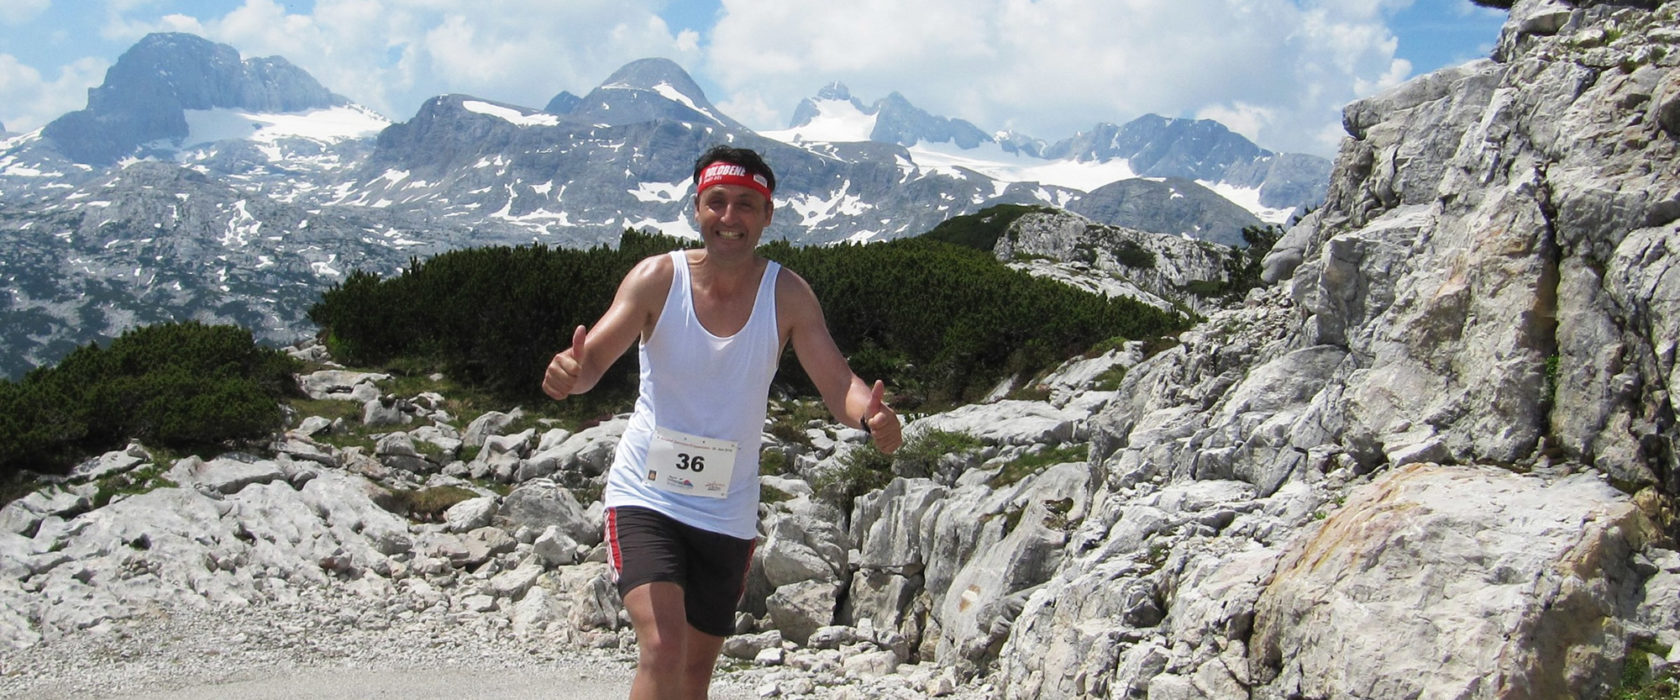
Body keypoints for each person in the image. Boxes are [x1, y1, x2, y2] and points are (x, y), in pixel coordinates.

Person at [541, 145, 904, 699]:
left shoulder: (788, 294)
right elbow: (591, 364)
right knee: (662, 650)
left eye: (745, 205)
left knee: (692, 676)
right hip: (647, 494)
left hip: (726, 510)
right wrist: (571, 372)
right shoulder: (656, 278)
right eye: (717, 203)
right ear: (697, 208)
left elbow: (839, 386)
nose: (729, 219)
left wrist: (871, 416)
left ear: (767, 216)